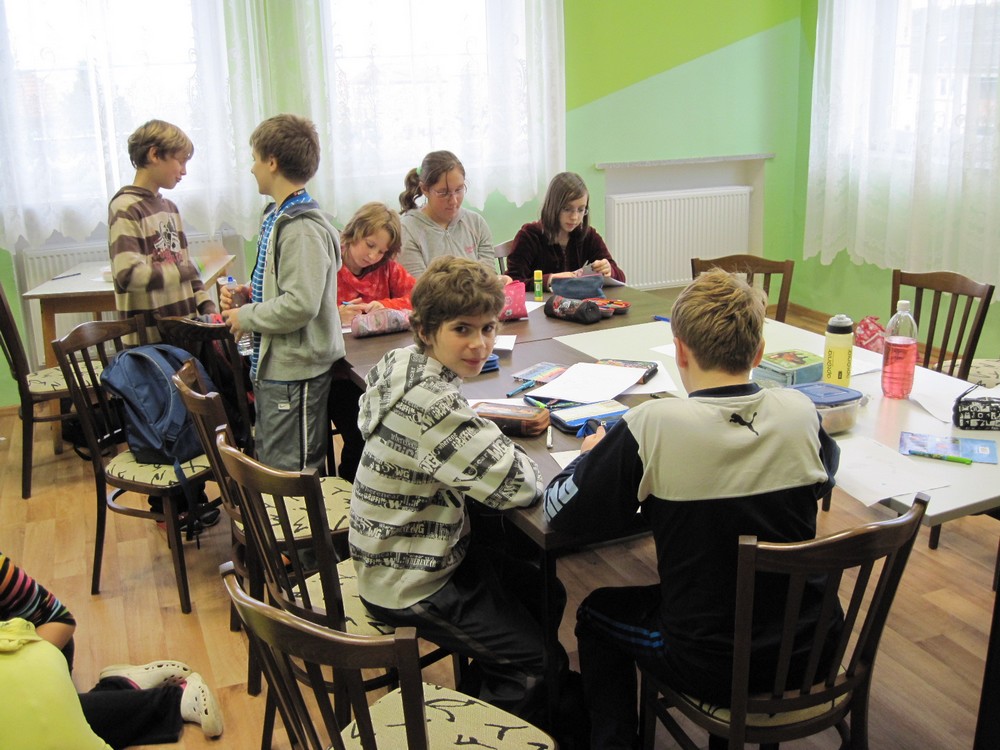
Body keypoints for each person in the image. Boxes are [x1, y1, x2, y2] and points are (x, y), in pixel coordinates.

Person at [542, 268, 842, 749]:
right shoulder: (801, 412)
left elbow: (561, 511)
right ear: (759, 353)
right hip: (813, 648)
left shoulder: (653, 423)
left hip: (710, 663)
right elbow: (825, 472)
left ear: (679, 351)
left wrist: (590, 456)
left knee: (596, 612)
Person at [349, 256, 571, 733]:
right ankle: (495, 728)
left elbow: (453, 438)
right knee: (539, 665)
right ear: (426, 330)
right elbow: (521, 484)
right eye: (462, 330)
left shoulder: (404, 364)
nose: (479, 344)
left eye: (488, 328)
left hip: (397, 551)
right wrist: (490, 438)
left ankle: (490, 694)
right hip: (409, 581)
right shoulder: (430, 404)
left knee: (544, 591)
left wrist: (481, 433)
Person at [0, 550, 223, 748]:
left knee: (37, 723)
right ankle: (123, 686)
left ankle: (173, 699)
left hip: (38, 654)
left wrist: (23, 679)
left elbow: (59, 619)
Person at [221, 114, 343, 472]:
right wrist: (252, 293)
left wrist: (246, 315)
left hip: (295, 370)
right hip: (278, 365)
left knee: (291, 472)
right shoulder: (277, 215)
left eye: (255, 159)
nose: (252, 168)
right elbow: (286, 284)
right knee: (274, 463)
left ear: (272, 162)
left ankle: (293, 514)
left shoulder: (300, 227)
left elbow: (300, 304)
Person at [108, 119, 216, 345]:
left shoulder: (170, 209)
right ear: (155, 154)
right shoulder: (126, 208)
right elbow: (129, 275)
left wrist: (208, 308)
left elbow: (187, 273)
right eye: (180, 161)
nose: (184, 171)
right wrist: (192, 268)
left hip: (184, 334)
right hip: (151, 347)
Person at [329, 201, 413, 481]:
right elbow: (306, 310)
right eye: (370, 245)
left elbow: (418, 297)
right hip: (337, 373)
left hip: (381, 368)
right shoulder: (330, 263)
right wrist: (335, 314)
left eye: (382, 251)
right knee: (362, 431)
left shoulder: (387, 269)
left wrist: (384, 305)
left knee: (399, 423)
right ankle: (351, 481)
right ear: (354, 232)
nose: (374, 255)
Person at [397, 150, 511, 284]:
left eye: (459, 190)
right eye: (443, 193)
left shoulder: (476, 223)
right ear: (425, 189)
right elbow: (421, 290)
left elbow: (487, 279)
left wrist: (498, 281)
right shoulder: (407, 230)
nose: (453, 201)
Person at [506, 171, 626, 290]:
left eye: (581, 210)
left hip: (573, 301)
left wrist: (610, 270)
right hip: (539, 302)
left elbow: (621, 279)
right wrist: (550, 279)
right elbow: (512, 283)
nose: (574, 217)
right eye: (567, 209)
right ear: (553, 207)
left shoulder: (588, 235)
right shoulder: (529, 235)